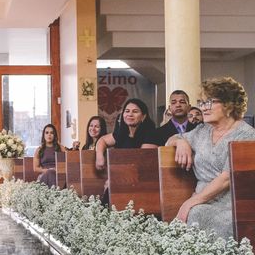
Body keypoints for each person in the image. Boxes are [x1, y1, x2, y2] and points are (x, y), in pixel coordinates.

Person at [167, 77, 255, 239]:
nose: (203, 108)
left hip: (234, 204)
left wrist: (190, 203)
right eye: (201, 103)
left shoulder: (247, 135)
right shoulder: (202, 131)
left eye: (209, 102)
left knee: (197, 213)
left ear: (229, 104)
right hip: (201, 201)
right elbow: (170, 140)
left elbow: (226, 178)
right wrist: (181, 142)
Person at [95, 98, 159, 170]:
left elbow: (142, 163)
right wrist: (99, 156)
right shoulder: (121, 134)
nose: (130, 114)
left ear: (143, 116)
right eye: (127, 111)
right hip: (120, 175)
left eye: (135, 111)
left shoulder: (151, 135)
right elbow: (102, 140)